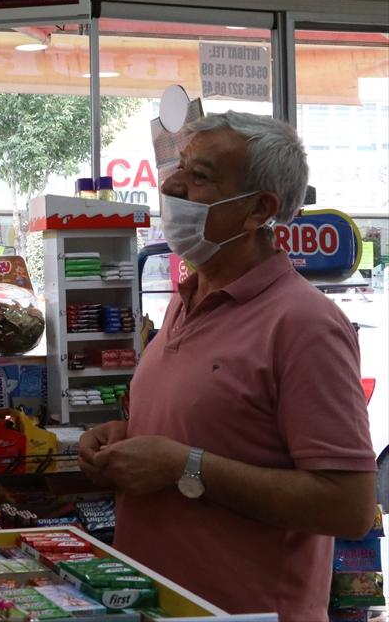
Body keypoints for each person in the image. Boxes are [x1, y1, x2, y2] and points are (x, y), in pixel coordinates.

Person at [78, 111, 376, 617]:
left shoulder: (305, 324)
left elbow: (348, 506)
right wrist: (126, 437)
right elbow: (219, 427)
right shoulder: (183, 302)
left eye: (199, 176)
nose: (171, 186)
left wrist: (183, 465)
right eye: (179, 168)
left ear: (260, 209)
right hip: (161, 605)